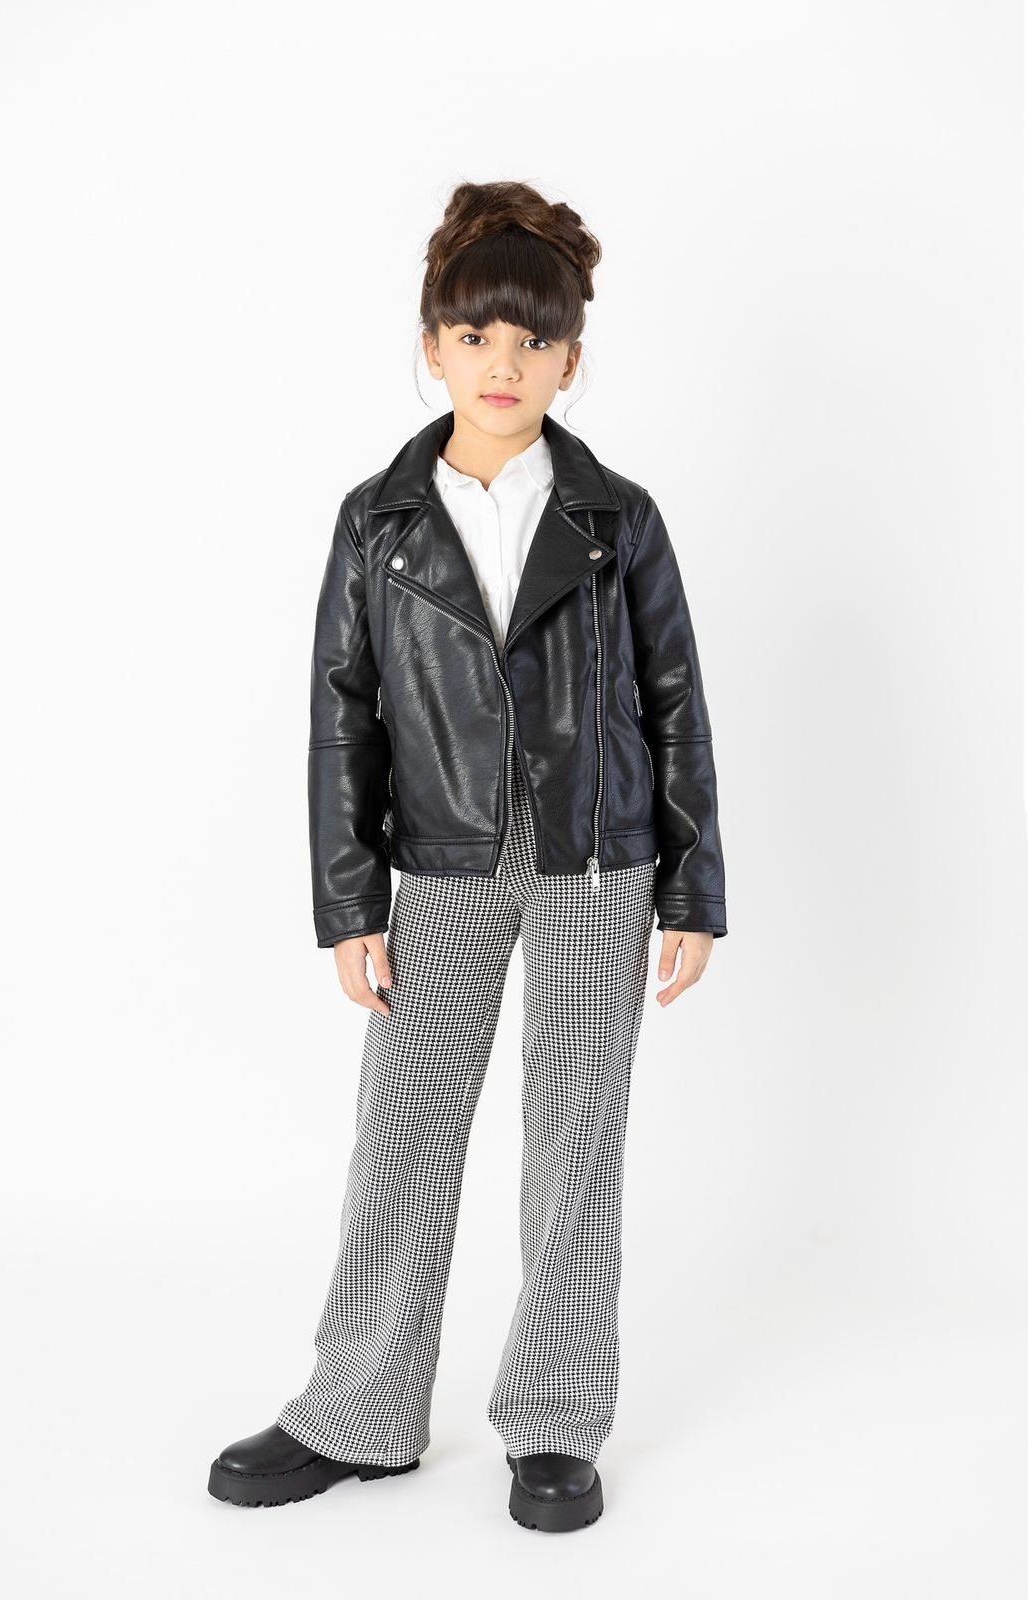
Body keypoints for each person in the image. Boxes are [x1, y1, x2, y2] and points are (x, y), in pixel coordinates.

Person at [208, 178, 728, 1533]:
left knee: (576, 1137)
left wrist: (692, 881)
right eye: (475, 335)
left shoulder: (618, 519)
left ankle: (554, 1423)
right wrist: (347, 903)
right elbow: (343, 711)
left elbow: (674, 698)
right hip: (436, 863)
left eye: (533, 341)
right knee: (404, 1128)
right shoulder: (376, 520)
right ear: (431, 347)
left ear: (570, 359)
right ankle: (361, 1411)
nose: (504, 364)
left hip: (595, 863)